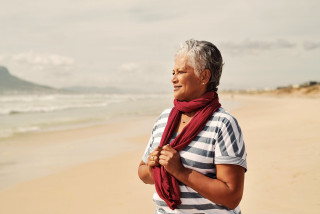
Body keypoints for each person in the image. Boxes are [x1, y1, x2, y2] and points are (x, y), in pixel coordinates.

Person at [138, 39, 247, 214]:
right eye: (173, 72)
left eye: (180, 72)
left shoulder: (223, 124)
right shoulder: (164, 118)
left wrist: (180, 170)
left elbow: (231, 196)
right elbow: (143, 172)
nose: (173, 79)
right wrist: (153, 165)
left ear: (204, 76)